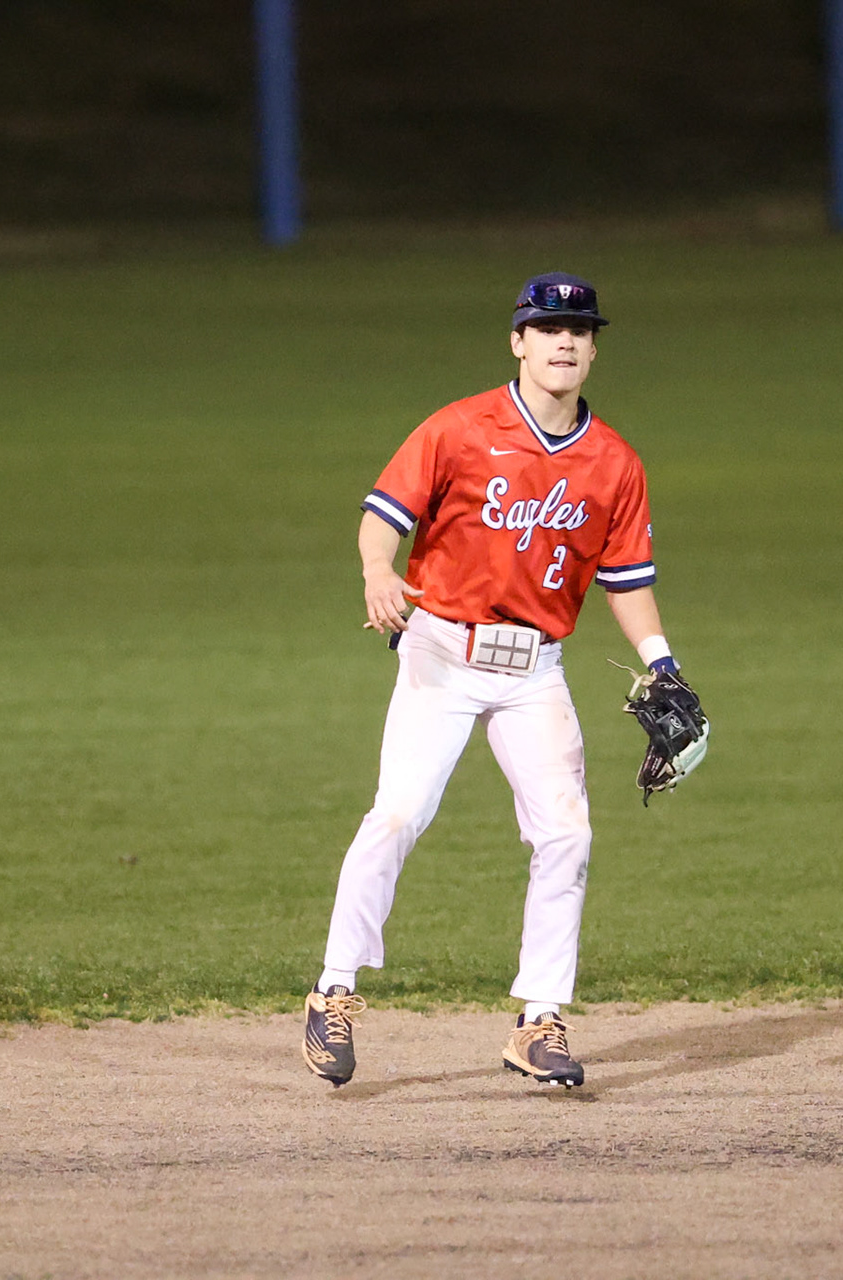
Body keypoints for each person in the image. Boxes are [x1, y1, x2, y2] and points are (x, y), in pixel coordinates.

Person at [303, 272, 693, 1089]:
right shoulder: (459, 429)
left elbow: (627, 580)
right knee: (400, 813)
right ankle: (333, 991)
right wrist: (379, 570)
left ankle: (539, 1020)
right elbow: (384, 517)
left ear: (593, 347)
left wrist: (662, 662)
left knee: (567, 835)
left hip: (535, 671)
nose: (565, 342)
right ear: (517, 340)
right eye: (548, 327)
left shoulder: (614, 462)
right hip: (441, 652)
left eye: (580, 330)